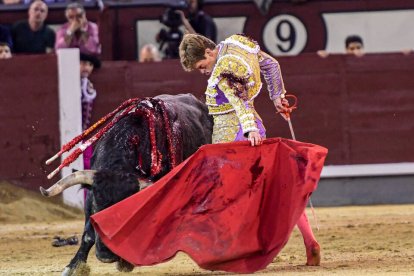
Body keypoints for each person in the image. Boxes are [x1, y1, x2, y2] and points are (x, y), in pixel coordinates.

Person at [179, 33, 321, 265]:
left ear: (208, 52)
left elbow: (238, 99)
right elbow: (271, 64)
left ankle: (239, 250)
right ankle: (309, 241)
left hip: (232, 137)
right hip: (254, 126)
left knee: (225, 194)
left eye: (201, 66)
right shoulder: (238, 43)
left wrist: (248, 130)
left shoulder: (224, 67)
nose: (203, 71)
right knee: (276, 188)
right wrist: (277, 97)